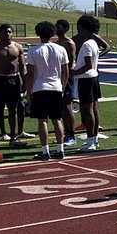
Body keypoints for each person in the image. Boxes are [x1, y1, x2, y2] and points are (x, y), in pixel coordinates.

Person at [25, 20, 70, 160]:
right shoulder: (61, 49)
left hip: (40, 87)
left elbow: (30, 73)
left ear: (38, 33)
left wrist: (28, 91)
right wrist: (62, 87)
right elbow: (65, 71)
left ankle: (45, 151)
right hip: (56, 87)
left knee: (42, 120)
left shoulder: (33, 50)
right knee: (57, 120)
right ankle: (60, 149)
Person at [72, 14, 104, 152]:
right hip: (93, 78)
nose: (78, 31)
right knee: (94, 109)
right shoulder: (93, 42)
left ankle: (90, 141)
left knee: (87, 110)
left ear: (84, 28)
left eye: (79, 28)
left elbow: (88, 65)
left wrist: (73, 72)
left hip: (86, 79)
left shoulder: (86, 44)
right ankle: (94, 138)